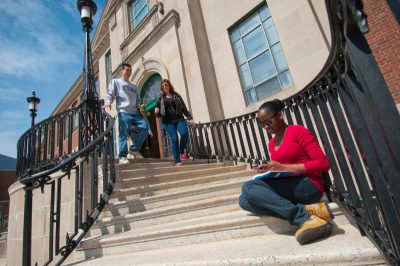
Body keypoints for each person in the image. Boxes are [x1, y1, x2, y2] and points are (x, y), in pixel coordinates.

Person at [239, 99, 333, 245]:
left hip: (309, 185)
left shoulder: (298, 131)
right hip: (290, 184)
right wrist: (271, 169)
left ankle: (306, 219)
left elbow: (323, 163)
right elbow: (282, 168)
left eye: (269, 121)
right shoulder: (271, 143)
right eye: (262, 125)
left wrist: (284, 168)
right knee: (243, 201)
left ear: (280, 115)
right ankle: (308, 211)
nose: (266, 127)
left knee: (248, 187)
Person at [104, 63, 149, 164]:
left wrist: (139, 107)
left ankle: (133, 149)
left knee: (145, 127)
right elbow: (110, 93)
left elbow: (138, 99)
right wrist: (108, 102)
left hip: (135, 113)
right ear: (122, 71)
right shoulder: (116, 82)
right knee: (123, 134)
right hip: (124, 112)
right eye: (127, 70)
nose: (129, 72)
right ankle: (122, 157)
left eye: (130, 70)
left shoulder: (134, 86)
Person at [154, 79, 195, 166]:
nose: (165, 87)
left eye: (166, 85)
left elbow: (183, 108)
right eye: (163, 86)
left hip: (179, 119)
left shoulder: (176, 95)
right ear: (161, 88)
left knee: (184, 134)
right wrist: (156, 110)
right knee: (174, 138)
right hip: (168, 122)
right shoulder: (161, 97)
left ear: (169, 85)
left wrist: (190, 118)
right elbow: (157, 106)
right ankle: (177, 161)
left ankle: (181, 151)